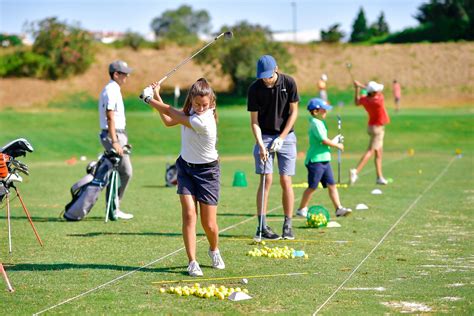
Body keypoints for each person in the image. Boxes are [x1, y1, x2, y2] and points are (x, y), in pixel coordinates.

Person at [141, 78, 225, 277]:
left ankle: (214, 250)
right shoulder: (190, 113)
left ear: (212, 103)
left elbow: (171, 112)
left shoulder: (204, 120)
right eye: (197, 104)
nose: (201, 108)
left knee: (209, 224)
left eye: (205, 105)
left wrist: (148, 100)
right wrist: (157, 94)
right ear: (191, 101)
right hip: (186, 168)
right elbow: (169, 120)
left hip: (208, 173)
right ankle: (192, 262)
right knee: (189, 214)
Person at [247, 55, 299, 240]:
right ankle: (261, 226)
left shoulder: (289, 83)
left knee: (286, 180)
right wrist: (261, 145)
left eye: (269, 76)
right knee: (266, 180)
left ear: (276, 69)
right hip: (264, 136)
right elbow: (254, 121)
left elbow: (294, 112)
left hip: (287, 136)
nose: (266, 80)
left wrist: (282, 138)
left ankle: (288, 224)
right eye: (263, 76)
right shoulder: (254, 88)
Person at [296, 98, 352, 218]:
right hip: (315, 161)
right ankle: (301, 209)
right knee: (312, 186)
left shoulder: (319, 123)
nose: (326, 112)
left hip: (324, 160)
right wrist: (337, 145)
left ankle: (338, 209)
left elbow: (324, 142)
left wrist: (335, 140)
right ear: (316, 111)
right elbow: (323, 141)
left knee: (332, 185)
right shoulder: (316, 123)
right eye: (324, 110)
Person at [98, 60, 134, 220]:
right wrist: (115, 141)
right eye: (124, 73)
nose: (127, 75)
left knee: (118, 172)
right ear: (116, 74)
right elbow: (110, 116)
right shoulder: (111, 90)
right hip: (114, 134)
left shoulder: (114, 89)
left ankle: (113, 208)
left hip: (118, 134)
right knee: (125, 171)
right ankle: (114, 207)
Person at [350, 80, 390, 185]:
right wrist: (362, 86)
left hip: (372, 127)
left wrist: (357, 88)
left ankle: (379, 177)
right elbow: (378, 92)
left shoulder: (365, 99)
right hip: (377, 129)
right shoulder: (378, 100)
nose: (378, 92)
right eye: (376, 91)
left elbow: (356, 102)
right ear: (373, 92)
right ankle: (356, 171)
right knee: (371, 150)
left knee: (379, 153)